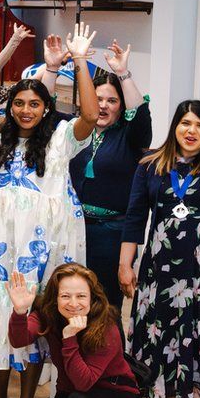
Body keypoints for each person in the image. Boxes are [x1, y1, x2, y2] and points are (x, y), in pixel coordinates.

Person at [0, 23, 99, 398]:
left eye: (34, 104)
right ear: (11, 108)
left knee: (31, 326)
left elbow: (92, 116)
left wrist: (76, 62)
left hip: (40, 253)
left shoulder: (61, 141)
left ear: (46, 109)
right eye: (20, 103)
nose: (26, 110)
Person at [119, 99, 200, 398]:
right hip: (157, 272)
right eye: (185, 123)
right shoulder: (151, 165)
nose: (191, 131)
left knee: (193, 347)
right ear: (175, 125)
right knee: (162, 346)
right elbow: (134, 219)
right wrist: (125, 264)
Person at [8, 264, 139, 398]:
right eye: (65, 295)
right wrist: (20, 312)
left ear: (92, 297)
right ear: (55, 297)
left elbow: (84, 382)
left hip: (117, 396)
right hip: (74, 392)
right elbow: (19, 340)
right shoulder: (48, 314)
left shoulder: (106, 326)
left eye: (81, 296)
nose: (74, 303)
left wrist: (69, 338)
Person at [69, 40, 151, 318]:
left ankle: (108, 362)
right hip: (73, 230)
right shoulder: (74, 132)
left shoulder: (130, 136)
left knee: (105, 311)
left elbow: (141, 116)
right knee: (70, 307)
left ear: (120, 105)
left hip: (111, 235)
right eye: (98, 98)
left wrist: (124, 73)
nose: (103, 106)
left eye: (111, 101)